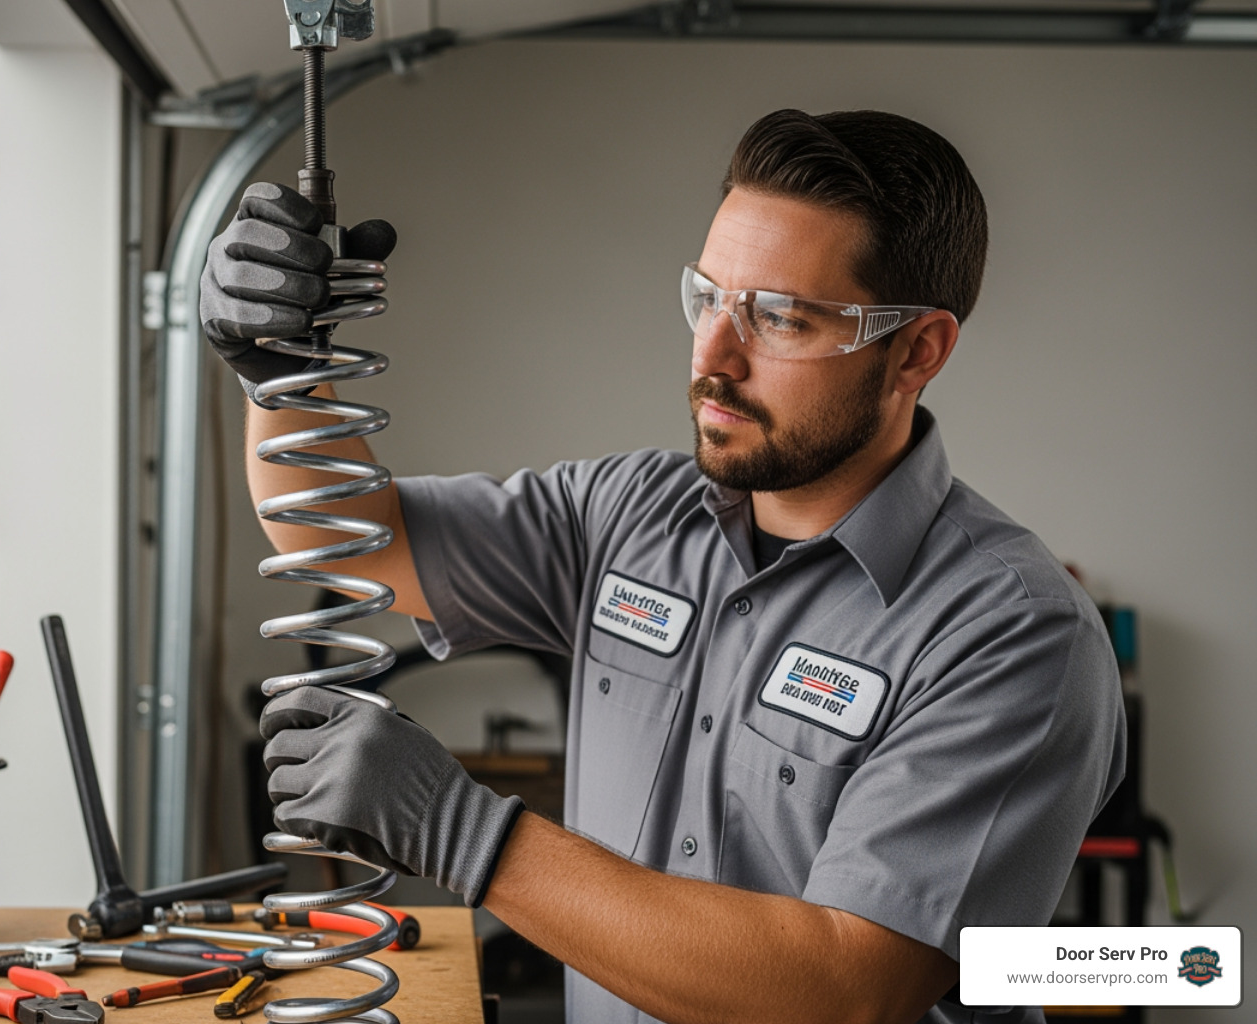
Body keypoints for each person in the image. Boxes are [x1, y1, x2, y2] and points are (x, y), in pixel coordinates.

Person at [199, 108, 1127, 1024]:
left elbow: (848, 989)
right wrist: (281, 365)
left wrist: (466, 832)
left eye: (780, 319)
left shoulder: (1013, 634)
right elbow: (350, 535)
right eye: (710, 297)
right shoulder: (628, 517)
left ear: (916, 351)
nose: (714, 358)